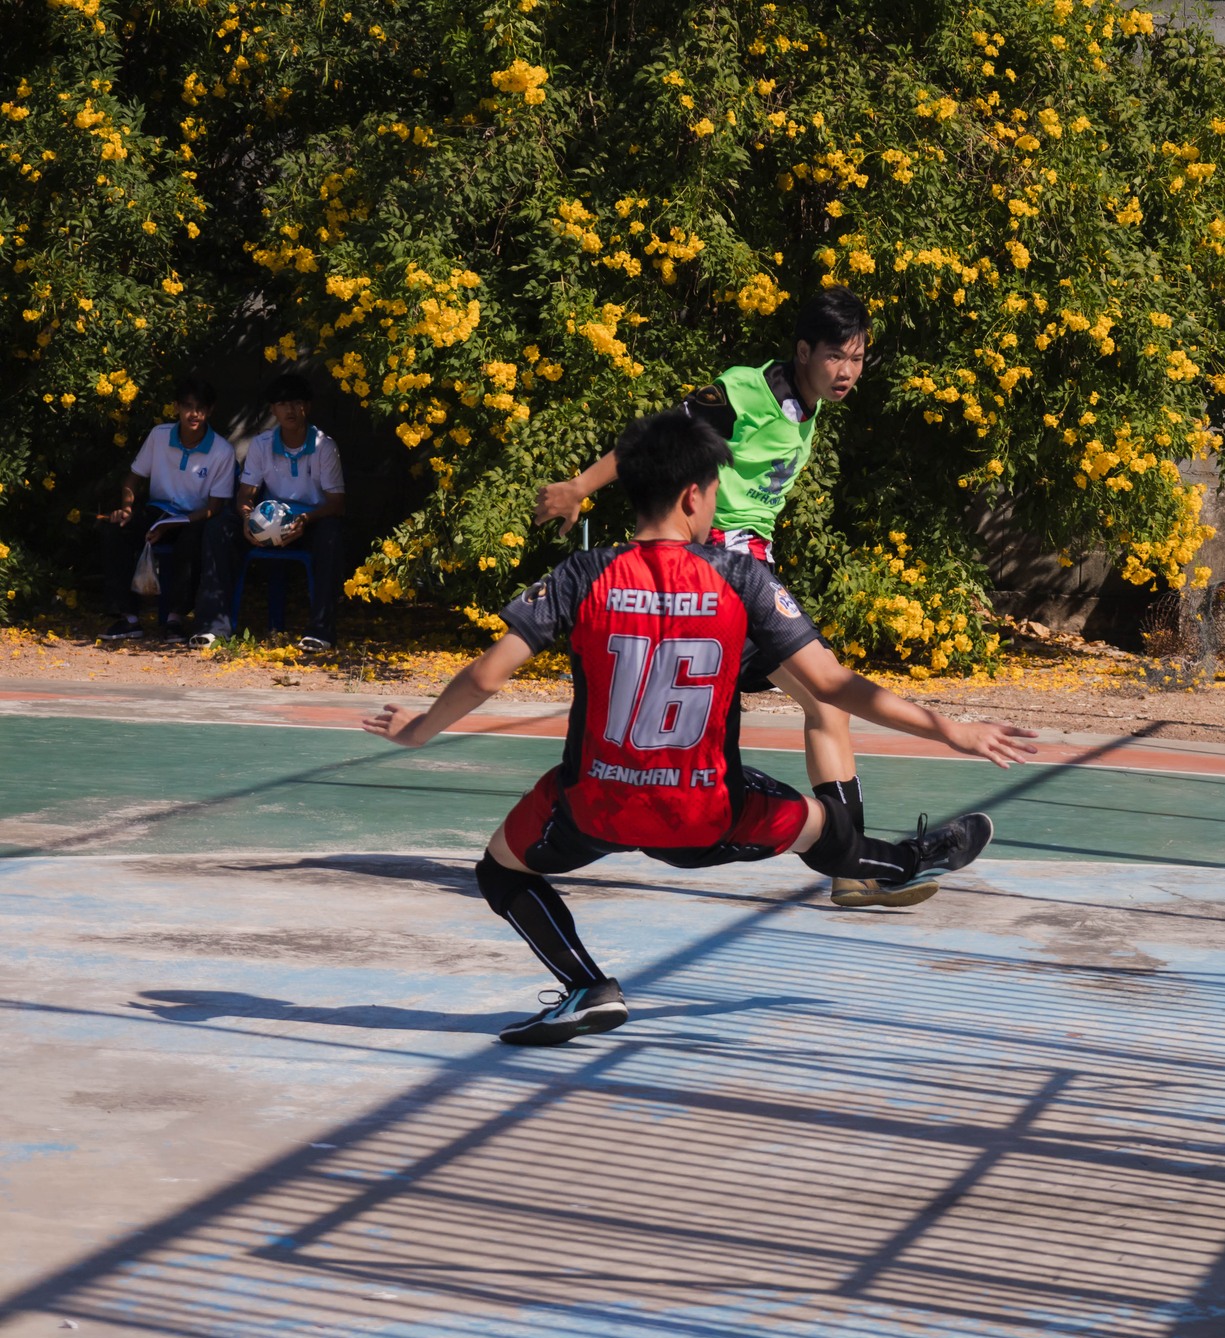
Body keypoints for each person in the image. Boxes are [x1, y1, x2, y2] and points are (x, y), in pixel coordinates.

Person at [367, 406, 1036, 1046]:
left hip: (594, 805)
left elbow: (487, 675)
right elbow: (833, 685)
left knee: (499, 871)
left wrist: (421, 728)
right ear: (693, 496)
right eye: (714, 491)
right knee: (828, 829)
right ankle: (903, 862)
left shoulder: (583, 573)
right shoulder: (741, 577)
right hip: (704, 814)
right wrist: (953, 730)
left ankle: (588, 985)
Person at [533, 287, 898, 908]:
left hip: (739, 571)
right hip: (717, 570)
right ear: (804, 350)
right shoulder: (744, 393)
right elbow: (659, 443)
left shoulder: (804, 405)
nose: (847, 372)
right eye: (836, 356)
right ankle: (852, 863)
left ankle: (848, 862)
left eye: (858, 358)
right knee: (827, 696)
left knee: (823, 705)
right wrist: (578, 486)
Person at [191, 373, 348, 651]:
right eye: (282, 404)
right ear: (272, 410)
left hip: (309, 523)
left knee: (331, 535)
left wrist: (306, 519)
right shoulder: (262, 445)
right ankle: (214, 627)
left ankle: (320, 631)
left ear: (307, 407)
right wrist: (246, 519)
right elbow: (245, 494)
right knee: (218, 529)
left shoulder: (324, 446)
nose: (290, 410)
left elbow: (336, 503)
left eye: (296, 403)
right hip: (268, 521)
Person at [98, 375, 233, 640]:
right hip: (157, 511)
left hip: (193, 517)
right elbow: (133, 478)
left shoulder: (222, 450)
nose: (194, 414)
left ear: (210, 410)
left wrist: (177, 523)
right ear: (177, 408)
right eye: (187, 406)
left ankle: (175, 618)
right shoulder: (159, 436)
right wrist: (126, 508)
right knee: (117, 529)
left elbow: (214, 508)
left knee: (193, 541)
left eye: (201, 408)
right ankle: (129, 617)